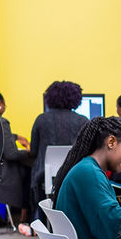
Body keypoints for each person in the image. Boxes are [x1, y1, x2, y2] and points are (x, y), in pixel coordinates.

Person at [52, 116, 121, 239]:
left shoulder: (88, 168)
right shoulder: (89, 173)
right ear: (111, 142)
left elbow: (107, 216)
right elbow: (112, 230)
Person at [30, 81, 89, 214]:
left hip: (45, 178)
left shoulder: (41, 119)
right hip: (74, 175)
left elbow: (33, 151)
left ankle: (39, 219)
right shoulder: (83, 121)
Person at [0, 90, 34, 234]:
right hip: (2, 173)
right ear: (0, 104)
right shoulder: (1, 121)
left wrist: (15, 136)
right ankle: (24, 218)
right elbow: (11, 154)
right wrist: (29, 151)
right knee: (28, 172)